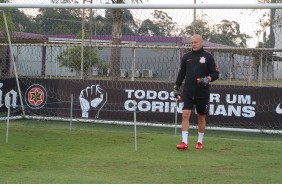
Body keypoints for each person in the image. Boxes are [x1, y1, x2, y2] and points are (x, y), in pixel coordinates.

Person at [174, 34, 219, 150]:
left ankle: (199, 141)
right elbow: (181, 73)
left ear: (201, 42)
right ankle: (184, 142)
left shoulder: (208, 57)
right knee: (185, 115)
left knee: (201, 117)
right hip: (188, 91)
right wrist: (176, 87)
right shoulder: (186, 57)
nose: (193, 44)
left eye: (195, 42)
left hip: (202, 93)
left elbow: (215, 74)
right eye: (192, 42)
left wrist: (207, 79)